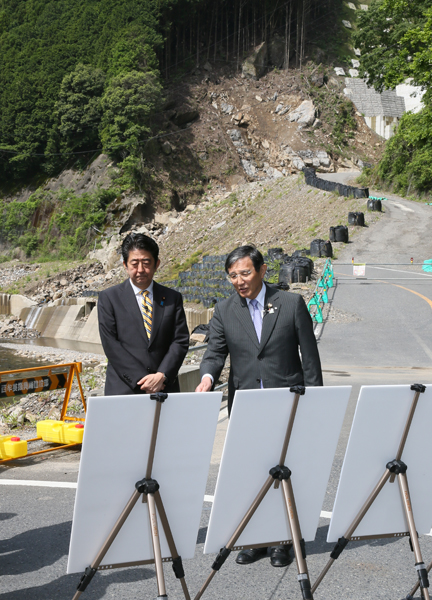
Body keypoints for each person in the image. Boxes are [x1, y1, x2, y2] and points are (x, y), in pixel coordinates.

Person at [196, 245, 323, 568]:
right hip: (247, 405)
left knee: (282, 472)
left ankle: (283, 540)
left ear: (262, 270)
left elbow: (310, 358)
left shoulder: (290, 303)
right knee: (252, 474)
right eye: (233, 276)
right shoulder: (225, 310)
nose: (239, 281)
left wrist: (315, 403)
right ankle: (255, 537)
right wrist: (208, 377)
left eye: (245, 273)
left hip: (287, 400)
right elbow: (214, 352)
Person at [98, 233, 189, 395]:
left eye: (146, 263)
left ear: (157, 264)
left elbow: (180, 341)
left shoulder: (172, 298)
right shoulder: (109, 298)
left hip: (164, 388)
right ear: (125, 265)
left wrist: (162, 375)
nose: (140, 270)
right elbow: (111, 345)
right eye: (134, 263)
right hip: (124, 388)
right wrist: (143, 380)